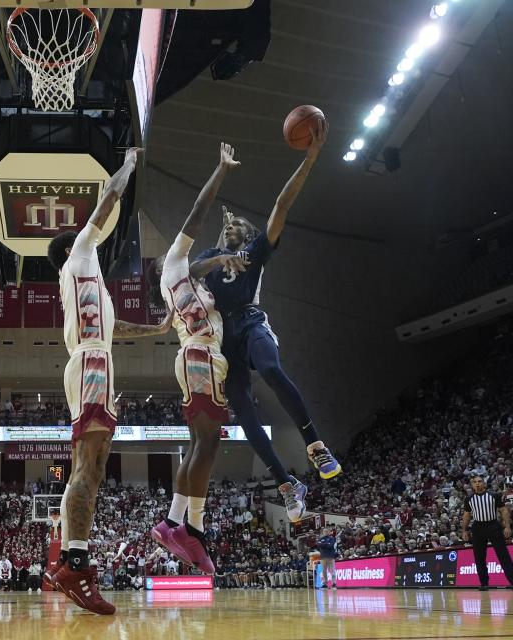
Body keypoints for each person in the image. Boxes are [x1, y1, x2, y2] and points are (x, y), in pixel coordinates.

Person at [44, 147, 173, 615]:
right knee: (88, 466)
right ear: (73, 245)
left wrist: (156, 329)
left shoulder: (88, 285)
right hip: (92, 365)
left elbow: (114, 327)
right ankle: (76, 567)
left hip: (98, 363)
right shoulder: (79, 257)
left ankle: (67, 561)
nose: (91, 236)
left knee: (91, 469)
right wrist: (130, 163)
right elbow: (107, 200)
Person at [190, 120, 338, 522]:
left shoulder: (256, 250)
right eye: (227, 225)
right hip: (224, 341)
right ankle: (287, 484)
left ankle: (315, 444)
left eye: (237, 224)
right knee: (244, 412)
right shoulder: (210, 255)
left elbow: (282, 205)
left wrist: (310, 158)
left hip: (252, 323)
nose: (231, 225)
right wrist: (221, 256)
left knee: (271, 368)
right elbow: (192, 271)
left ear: (250, 234)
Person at [146, 142, 247, 574]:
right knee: (208, 442)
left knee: (199, 445)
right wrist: (221, 169)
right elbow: (197, 211)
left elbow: (204, 268)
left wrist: (224, 255)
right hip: (198, 356)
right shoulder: (173, 264)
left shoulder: (190, 281)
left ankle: (174, 523)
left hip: (203, 357)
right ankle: (193, 530)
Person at [461, 475, 513, 590]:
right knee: (479, 556)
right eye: (475, 482)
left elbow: (504, 510)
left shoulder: (494, 495)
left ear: (484, 483)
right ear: (472, 485)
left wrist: (507, 526)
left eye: (480, 481)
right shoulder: (468, 499)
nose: (477, 484)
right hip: (478, 527)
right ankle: (484, 583)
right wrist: (464, 530)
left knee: (503, 554)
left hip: (493, 525)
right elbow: (467, 515)